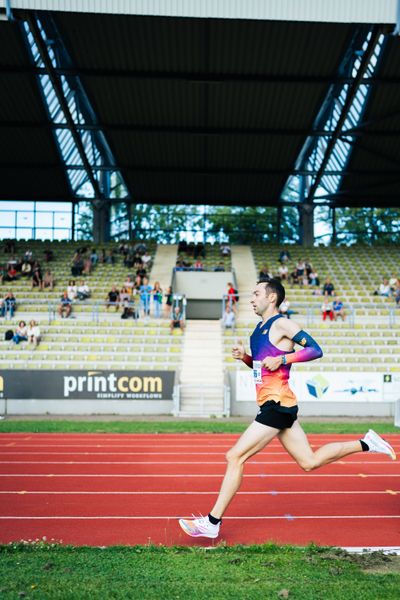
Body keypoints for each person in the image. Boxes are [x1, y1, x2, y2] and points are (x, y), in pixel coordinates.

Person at [178, 279, 396, 539]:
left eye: (256, 293)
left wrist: (283, 358)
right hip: (278, 404)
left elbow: (316, 350)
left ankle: (212, 522)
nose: (251, 298)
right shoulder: (258, 330)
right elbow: (262, 366)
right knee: (309, 461)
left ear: (272, 298)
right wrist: (246, 358)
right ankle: (366, 443)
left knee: (234, 456)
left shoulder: (282, 323)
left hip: (277, 405)